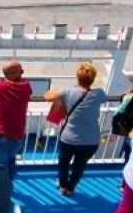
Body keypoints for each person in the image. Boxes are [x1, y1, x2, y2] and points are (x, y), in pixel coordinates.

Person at [45, 62, 105, 196]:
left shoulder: (67, 91)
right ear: (93, 79)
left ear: (77, 77)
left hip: (69, 138)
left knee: (64, 163)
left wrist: (56, 90)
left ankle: (62, 186)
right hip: (91, 140)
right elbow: (101, 99)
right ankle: (70, 188)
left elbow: (47, 96)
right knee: (80, 166)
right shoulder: (99, 93)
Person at [0, 60, 32, 180]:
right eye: (21, 71)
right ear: (14, 74)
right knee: (12, 159)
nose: (22, 73)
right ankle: (9, 180)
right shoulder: (26, 86)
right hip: (18, 134)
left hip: (1, 134)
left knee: (1, 163)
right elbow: (28, 90)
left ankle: (1, 183)